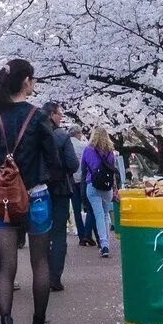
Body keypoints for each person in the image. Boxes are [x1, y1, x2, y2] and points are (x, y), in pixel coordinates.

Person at [0, 58, 63, 324]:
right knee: (40, 263)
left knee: (6, 266)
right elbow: (53, 159)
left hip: (2, 201)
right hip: (36, 196)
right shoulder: (38, 117)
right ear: (26, 81)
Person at [41, 100, 74, 292]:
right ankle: (55, 278)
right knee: (59, 233)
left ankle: (42, 275)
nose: (61, 117)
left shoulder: (34, 135)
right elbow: (73, 164)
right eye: (60, 114)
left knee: (41, 232)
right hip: (60, 189)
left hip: (38, 190)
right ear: (53, 114)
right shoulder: (62, 136)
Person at [81, 127, 121, 258]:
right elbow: (112, 171)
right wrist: (115, 188)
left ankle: (104, 244)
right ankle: (106, 243)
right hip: (107, 187)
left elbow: (83, 167)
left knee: (98, 214)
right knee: (105, 214)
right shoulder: (110, 152)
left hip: (92, 185)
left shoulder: (87, 150)